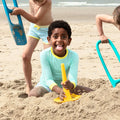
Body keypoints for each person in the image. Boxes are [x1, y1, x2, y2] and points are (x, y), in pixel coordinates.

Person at [29, 20, 93, 99]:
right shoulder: (44, 54)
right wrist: (59, 90)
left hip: (65, 86)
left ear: (69, 41)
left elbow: (73, 79)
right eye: (55, 37)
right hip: (46, 85)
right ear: (49, 39)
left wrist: (70, 85)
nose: (59, 40)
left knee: (91, 92)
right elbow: (48, 79)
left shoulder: (73, 56)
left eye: (63, 37)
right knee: (33, 94)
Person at [11, 0, 53, 94]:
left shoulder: (47, 2)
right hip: (34, 29)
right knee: (25, 56)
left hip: (47, 29)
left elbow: (36, 19)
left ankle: (49, 84)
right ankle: (28, 85)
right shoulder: (31, 1)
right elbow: (34, 22)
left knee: (48, 58)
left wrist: (21, 12)